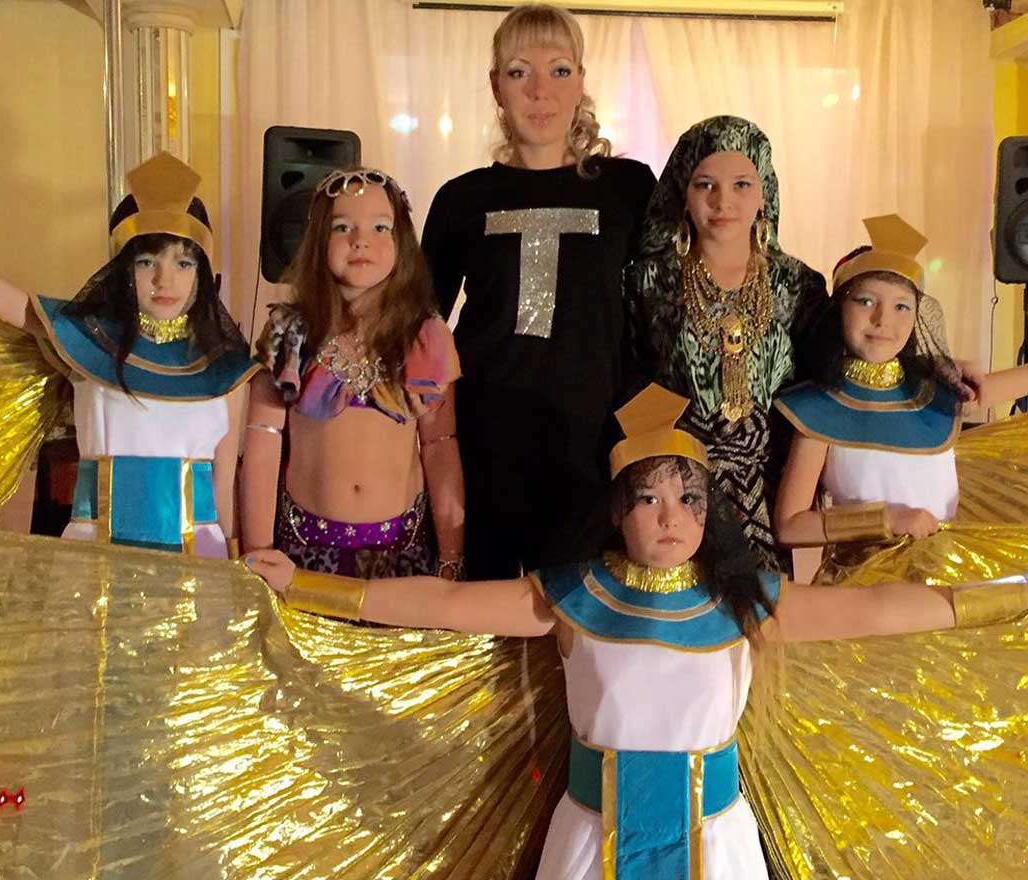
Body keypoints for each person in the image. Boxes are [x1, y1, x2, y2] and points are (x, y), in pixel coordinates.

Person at [246, 383, 1028, 880]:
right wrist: (305, 586)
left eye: (689, 499)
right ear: (617, 512)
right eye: (648, 499)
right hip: (590, 848)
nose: (671, 517)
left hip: (718, 855)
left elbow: (878, 611)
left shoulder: (747, 603)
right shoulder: (568, 598)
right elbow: (443, 602)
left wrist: (1009, 594)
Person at [0, 153, 254, 556]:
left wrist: (239, 571)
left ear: (202, 272)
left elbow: (223, 494)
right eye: (147, 262)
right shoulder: (85, 342)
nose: (165, 279)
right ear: (122, 269)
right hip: (95, 567)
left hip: (199, 570)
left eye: (183, 263)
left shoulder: (224, 370)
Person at [422, 2, 657, 579]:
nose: (539, 91)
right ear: (496, 88)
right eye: (519, 72)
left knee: (584, 616)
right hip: (485, 443)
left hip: (596, 448)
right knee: (486, 613)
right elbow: (421, 330)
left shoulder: (628, 189)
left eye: (559, 70)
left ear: (581, 82)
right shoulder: (460, 200)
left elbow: (661, 316)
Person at [772, 213, 1028, 554]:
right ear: (840, 309)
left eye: (902, 306)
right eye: (866, 301)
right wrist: (885, 520)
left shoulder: (935, 394)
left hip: (944, 572)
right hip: (863, 587)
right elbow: (790, 526)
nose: (883, 320)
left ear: (918, 316)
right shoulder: (818, 410)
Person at [625, 115, 831, 572]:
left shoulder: (797, 284)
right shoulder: (647, 281)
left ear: (764, 193)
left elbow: (833, 375)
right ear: (683, 193)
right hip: (676, 494)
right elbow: (627, 379)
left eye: (741, 184)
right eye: (706, 185)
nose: (723, 201)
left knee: (763, 610)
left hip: (771, 491)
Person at [243, 167, 463, 579]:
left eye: (380, 227)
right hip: (303, 558)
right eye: (342, 227)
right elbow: (262, 445)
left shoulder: (424, 338)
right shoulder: (289, 333)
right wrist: (258, 550)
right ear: (317, 240)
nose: (360, 240)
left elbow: (440, 447)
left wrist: (451, 554)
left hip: (403, 558)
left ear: (402, 242)